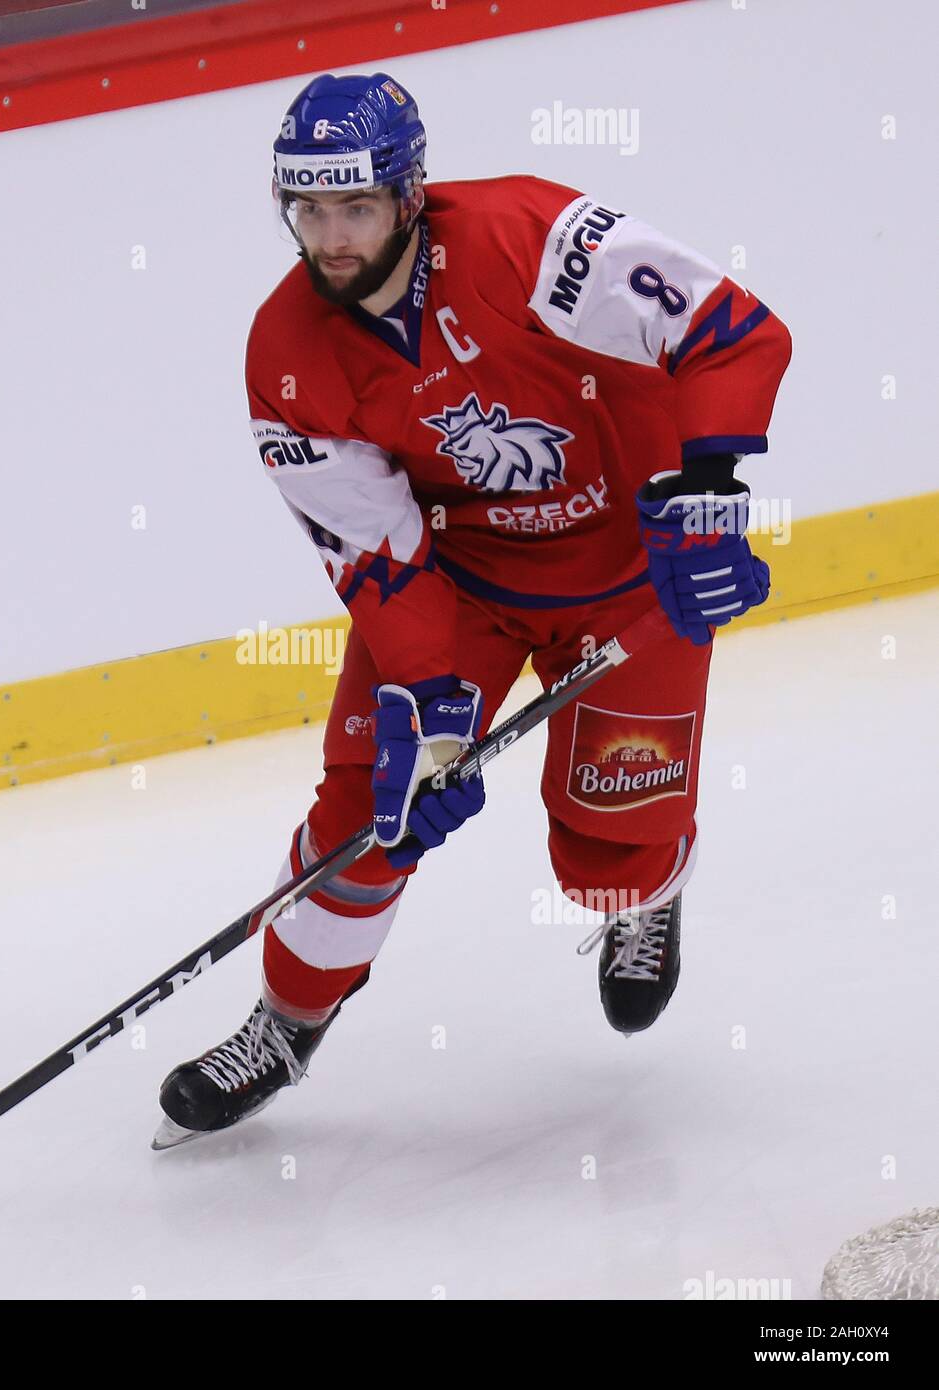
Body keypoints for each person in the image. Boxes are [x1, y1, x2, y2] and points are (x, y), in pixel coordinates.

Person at [153, 71, 791, 1151]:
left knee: (608, 852)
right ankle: (286, 1022)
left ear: (410, 194)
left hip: (631, 579)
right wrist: (430, 709)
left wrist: (710, 496)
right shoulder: (287, 357)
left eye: (355, 207)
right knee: (369, 815)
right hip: (466, 593)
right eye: (308, 211)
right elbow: (375, 549)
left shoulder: (529, 240)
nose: (331, 238)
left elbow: (734, 332)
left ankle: (648, 890)